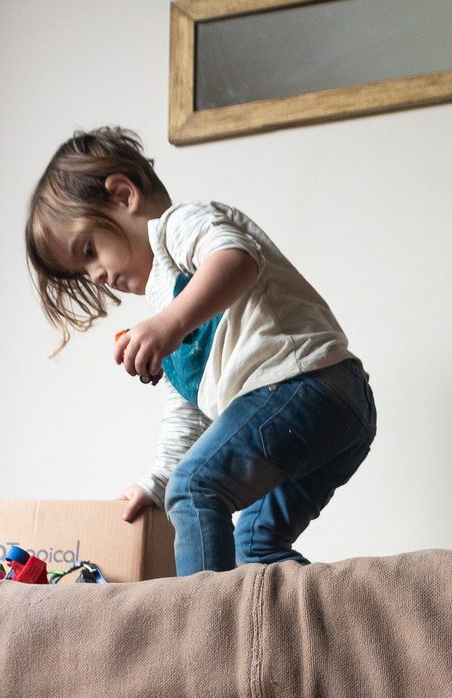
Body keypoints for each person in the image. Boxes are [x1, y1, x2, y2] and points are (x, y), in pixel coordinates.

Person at [24, 127, 375, 575]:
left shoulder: (178, 226)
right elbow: (188, 411)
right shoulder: (163, 307)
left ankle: (209, 632)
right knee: (256, 545)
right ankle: (330, 619)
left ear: (123, 194)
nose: (94, 275)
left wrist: (169, 324)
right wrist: (154, 483)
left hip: (305, 386)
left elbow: (236, 258)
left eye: (89, 250)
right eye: (82, 270)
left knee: (194, 489)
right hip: (339, 409)